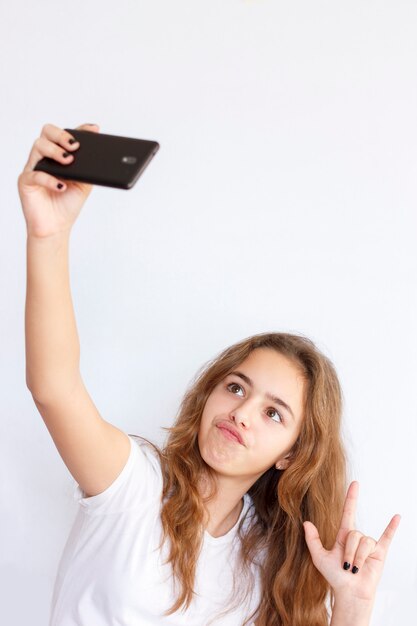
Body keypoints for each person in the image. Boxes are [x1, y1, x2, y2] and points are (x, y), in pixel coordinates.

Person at [19, 123, 401, 626]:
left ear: (292, 453)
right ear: (209, 395)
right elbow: (53, 387)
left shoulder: (268, 561)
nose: (242, 412)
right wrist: (49, 234)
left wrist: (352, 607)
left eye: (272, 412)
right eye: (236, 387)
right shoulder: (134, 484)